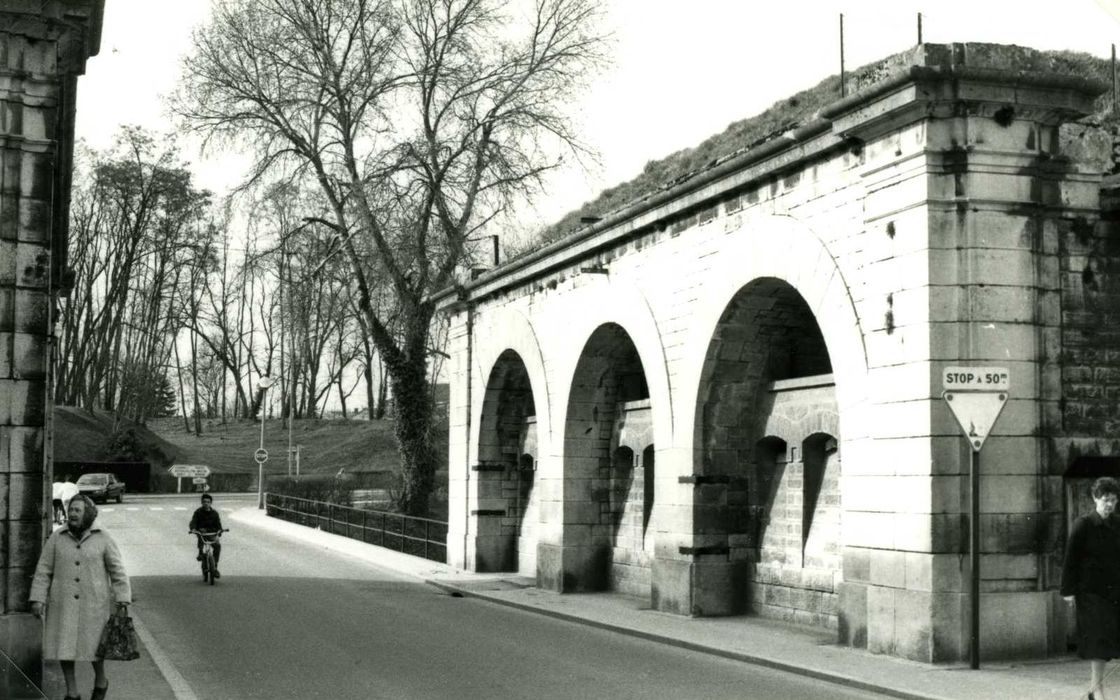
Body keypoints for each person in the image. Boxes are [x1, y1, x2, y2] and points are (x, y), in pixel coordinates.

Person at [29, 494, 131, 700]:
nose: (72, 514)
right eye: (71, 510)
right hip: (63, 602)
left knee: (95, 648)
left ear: (88, 514)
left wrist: (122, 597)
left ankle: (101, 681)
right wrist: (38, 598)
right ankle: (72, 692)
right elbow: (43, 570)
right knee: (64, 648)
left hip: (94, 603)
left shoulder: (103, 537)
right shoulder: (57, 538)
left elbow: (117, 570)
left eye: (78, 510)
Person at [1062, 476, 1120, 700]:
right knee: (1098, 641)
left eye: (1114, 500)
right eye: (1106, 500)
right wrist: (1068, 592)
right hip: (1090, 593)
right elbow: (1071, 560)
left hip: (1113, 593)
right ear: (1095, 498)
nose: (1110, 505)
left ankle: (1093, 689)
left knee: (1106, 642)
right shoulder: (1083, 524)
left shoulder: (1117, 525)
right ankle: (1097, 689)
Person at [189, 492, 224, 578]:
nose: (206, 504)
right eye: (204, 502)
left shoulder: (214, 513)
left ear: (211, 503)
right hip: (202, 533)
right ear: (201, 502)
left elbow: (218, 525)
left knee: (218, 546)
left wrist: (220, 531)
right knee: (200, 537)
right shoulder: (198, 512)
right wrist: (193, 529)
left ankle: (215, 567)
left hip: (212, 533)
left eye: (208, 502)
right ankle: (200, 552)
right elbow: (193, 522)